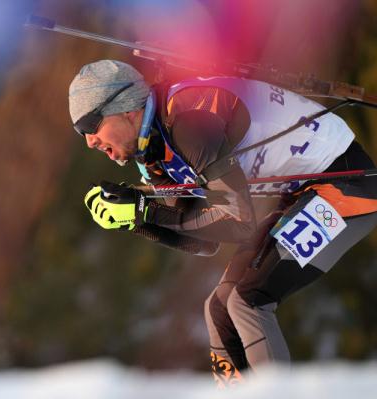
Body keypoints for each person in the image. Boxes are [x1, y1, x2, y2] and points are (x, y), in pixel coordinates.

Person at [68, 59, 377, 388]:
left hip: (346, 185)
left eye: (92, 125)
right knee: (219, 308)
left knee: (249, 300)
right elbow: (202, 240)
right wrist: (137, 220)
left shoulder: (188, 123)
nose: (89, 141)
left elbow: (237, 222)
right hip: (301, 192)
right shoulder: (153, 152)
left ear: (126, 109)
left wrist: (145, 212)